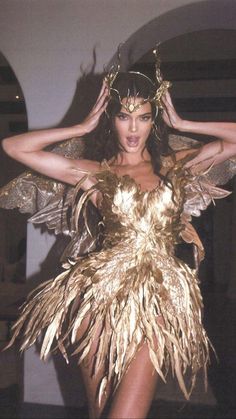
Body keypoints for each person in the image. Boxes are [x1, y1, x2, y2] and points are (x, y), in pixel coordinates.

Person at [1, 50, 236, 419]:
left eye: (143, 117)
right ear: (111, 119)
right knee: (100, 412)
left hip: (159, 299)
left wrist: (184, 120)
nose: (132, 128)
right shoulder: (96, 173)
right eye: (124, 116)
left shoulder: (175, 167)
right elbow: (14, 147)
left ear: (154, 121)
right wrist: (80, 128)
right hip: (100, 298)